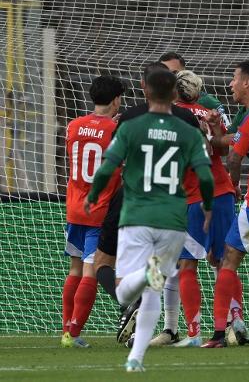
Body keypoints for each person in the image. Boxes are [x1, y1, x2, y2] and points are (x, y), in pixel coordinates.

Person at [85, 69, 214, 372]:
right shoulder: (187, 128)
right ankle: (135, 359)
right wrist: (208, 207)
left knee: (124, 288)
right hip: (173, 215)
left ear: (144, 88)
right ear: (174, 93)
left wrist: (93, 195)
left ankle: (144, 276)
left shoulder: (130, 123)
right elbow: (205, 173)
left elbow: (109, 165)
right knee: (156, 288)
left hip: (136, 211)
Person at [202, 75, 249, 348]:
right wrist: (215, 132)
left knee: (228, 258)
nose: (231, 84)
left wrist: (233, 185)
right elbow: (226, 140)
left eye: (234, 79)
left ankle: (219, 334)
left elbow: (233, 155)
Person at [170, 70, 236, 347]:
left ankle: (194, 333)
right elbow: (223, 151)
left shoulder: (171, 118)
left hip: (193, 196)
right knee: (225, 262)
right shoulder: (208, 112)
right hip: (221, 190)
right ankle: (233, 324)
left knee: (187, 264)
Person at [61, 75, 125, 349]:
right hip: (99, 209)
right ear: (116, 100)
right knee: (92, 272)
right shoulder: (116, 129)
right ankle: (72, 334)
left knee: (75, 269)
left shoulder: (73, 126)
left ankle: (66, 328)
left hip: (75, 207)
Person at [158, 51, 230, 126]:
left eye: (174, 73)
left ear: (185, 72)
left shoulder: (208, 102)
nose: (169, 78)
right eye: (165, 74)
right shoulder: (157, 102)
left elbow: (227, 133)